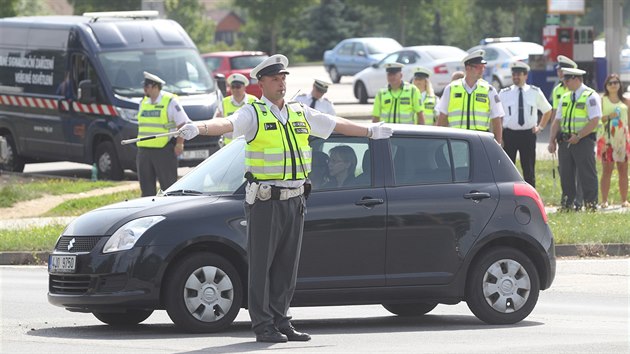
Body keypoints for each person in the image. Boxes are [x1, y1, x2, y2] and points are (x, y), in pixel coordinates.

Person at [177, 54, 392, 343]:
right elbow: (226, 124)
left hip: (296, 199)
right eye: (275, 79)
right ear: (262, 83)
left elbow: (334, 123)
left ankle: (281, 320)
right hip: (266, 201)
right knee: (262, 265)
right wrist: (199, 128)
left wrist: (370, 131)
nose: (281, 83)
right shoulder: (253, 113)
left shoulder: (300, 112)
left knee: (286, 266)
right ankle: (263, 325)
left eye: (284, 78)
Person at [547, 67, 601, 211]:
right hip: (565, 141)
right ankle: (567, 204)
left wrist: (579, 136)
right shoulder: (565, 97)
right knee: (566, 174)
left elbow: (595, 120)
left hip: (583, 141)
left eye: (567, 79)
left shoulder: (591, 96)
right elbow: (557, 120)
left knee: (587, 173)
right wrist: (551, 140)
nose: (565, 82)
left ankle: (590, 204)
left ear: (576, 79)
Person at [136, 71, 190, 197]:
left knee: (168, 188)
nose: (144, 89)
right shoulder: (143, 102)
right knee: (146, 190)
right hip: (144, 151)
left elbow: (183, 123)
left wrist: (179, 144)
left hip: (163, 150)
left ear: (155, 86)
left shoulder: (170, 101)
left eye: (146, 87)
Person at [498, 61, 552, 187]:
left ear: (526, 75)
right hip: (509, 135)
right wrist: (499, 136)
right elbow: (498, 116)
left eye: (519, 74)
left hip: (528, 135)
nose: (516, 77)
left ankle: (531, 198)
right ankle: (508, 196)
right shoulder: (504, 93)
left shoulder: (534, 92)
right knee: (507, 170)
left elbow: (547, 110)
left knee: (529, 170)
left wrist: (541, 127)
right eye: (514, 74)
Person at [436, 50, 504, 144]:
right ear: (468, 68)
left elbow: (497, 120)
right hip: (456, 139)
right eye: (478, 67)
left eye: (483, 67)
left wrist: (498, 144)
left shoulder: (489, 90)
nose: (482, 70)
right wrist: (439, 142)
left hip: (481, 139)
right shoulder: (451, 89)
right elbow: (442, 118)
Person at [597, 74, 629, 208]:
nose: (613, 85)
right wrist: (609, 116)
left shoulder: (626, 101)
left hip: (622, 140)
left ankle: (624, 200)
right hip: (607, 140)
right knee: (607, 170)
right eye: (610, 83)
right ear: (606, 86)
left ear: (620, 85)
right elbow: (597, 119)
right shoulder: (602, 100)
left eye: (616, 82)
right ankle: (604, 200)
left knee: (623, 170)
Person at [217, 73, 257, 145]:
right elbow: (218, 121)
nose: (235, 89)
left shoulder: (254, 101)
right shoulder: (224, 102)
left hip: (249, 144)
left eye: (238, 87)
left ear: (244, 87)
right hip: (230, 145)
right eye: (233, 87)